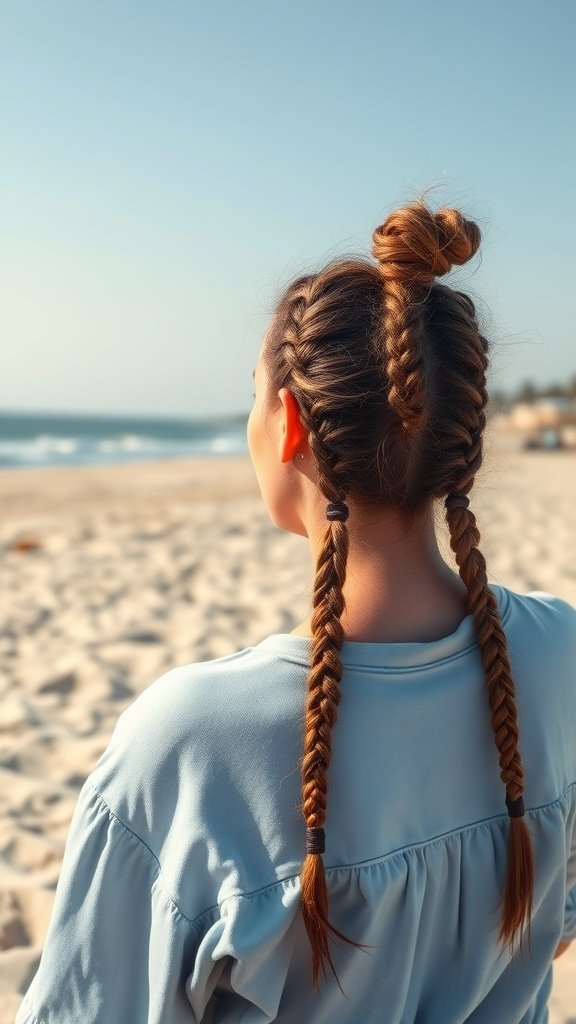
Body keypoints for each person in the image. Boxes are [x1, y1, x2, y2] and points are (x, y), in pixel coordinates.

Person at [16, 200, 576, 1024]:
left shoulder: (194, 741)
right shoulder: (559, 653)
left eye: (253, 395)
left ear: (289, 426)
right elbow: (550, 929)